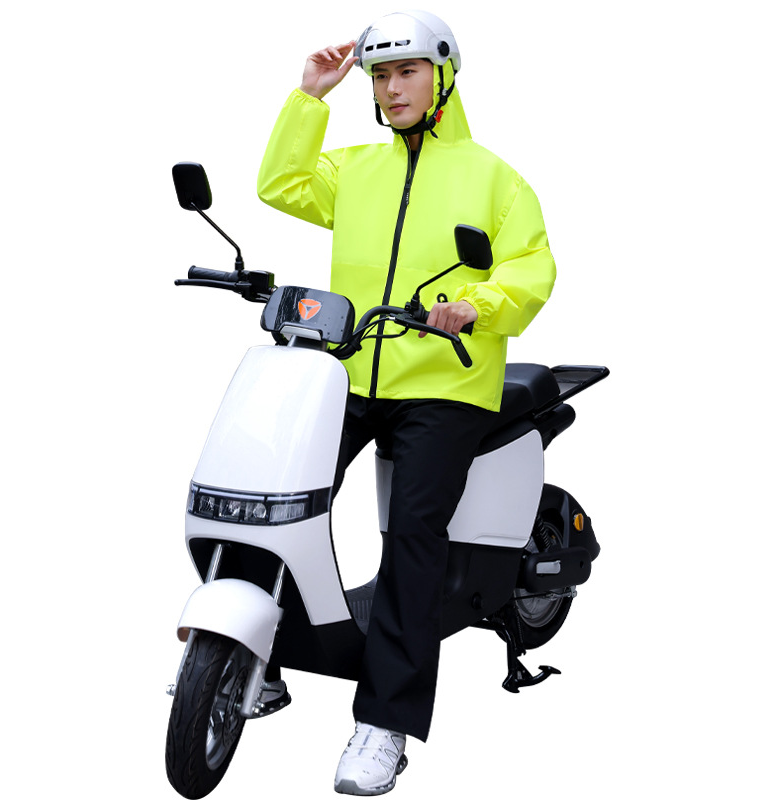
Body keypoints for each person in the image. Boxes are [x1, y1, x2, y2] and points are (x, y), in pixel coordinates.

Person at [257, 10, 556, 795]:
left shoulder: (494, 178)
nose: (392, 89)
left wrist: (476, 306)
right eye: (381, 76)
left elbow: (532, 269)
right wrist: (310, 96)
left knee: (412, 534)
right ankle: (253, 650)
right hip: (352, 372)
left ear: (443, 76)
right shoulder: (356, 168)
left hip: (445, 384)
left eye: (407, 72)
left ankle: (385, 725)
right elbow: (281, 184)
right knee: (276, 493)